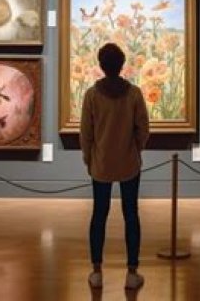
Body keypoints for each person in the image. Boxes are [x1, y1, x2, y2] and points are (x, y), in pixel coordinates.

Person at [80, 43, 150, 291]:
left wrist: (89, 158)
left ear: (101, 65)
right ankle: (132, 272)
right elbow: (143, 129)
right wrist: (135, 150)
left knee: (99, 215)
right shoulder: (134, 94)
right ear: (122, 65)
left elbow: (86, 133)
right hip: (129, 163)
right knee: (131, 215)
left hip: (101, 164)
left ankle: (97, 271)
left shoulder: (92, 95)